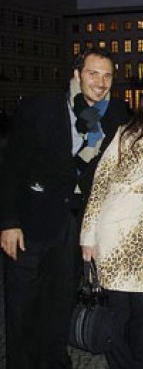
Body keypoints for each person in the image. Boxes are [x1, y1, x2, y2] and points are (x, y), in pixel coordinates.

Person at [0, 47, 129, 369]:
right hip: (31, 220)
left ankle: (55, 361)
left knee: (60, 301)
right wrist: (8, 222)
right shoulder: (40, 108)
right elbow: (12, 167)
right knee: (23, 304)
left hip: (75, 222)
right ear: (77, 74)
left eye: (107, 76)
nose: (100, 82)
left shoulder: (114, 113)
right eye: (93, 73)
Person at [80, 84, 143, 369]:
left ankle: (138, 361)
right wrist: (88, 235)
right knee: (118, 312)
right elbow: (99, 183)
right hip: (116, 234)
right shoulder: (125, 135)